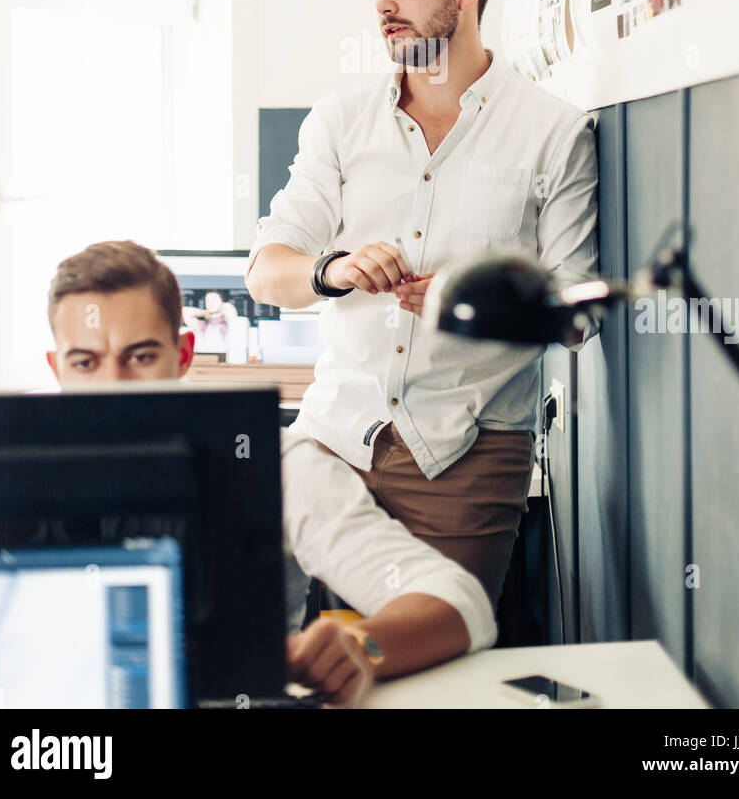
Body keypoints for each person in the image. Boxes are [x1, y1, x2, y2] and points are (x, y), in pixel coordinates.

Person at [247, 0, 599, 609]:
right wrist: (333, 270)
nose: (383, 4)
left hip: (468, 456)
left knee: (437, 654)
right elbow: (267, 272)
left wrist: (477, 300)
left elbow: (578, 313)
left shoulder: (552, 132)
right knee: (317, 655)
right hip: (334, 442)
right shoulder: (339, 123)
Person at [47, 240, 496, 706]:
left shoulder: (272, 464)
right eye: (85, 363)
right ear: (56, 368)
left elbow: (459, 602)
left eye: (140, 357)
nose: (115, 388)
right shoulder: (9, 475)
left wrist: (364, 646)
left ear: (183, 355)